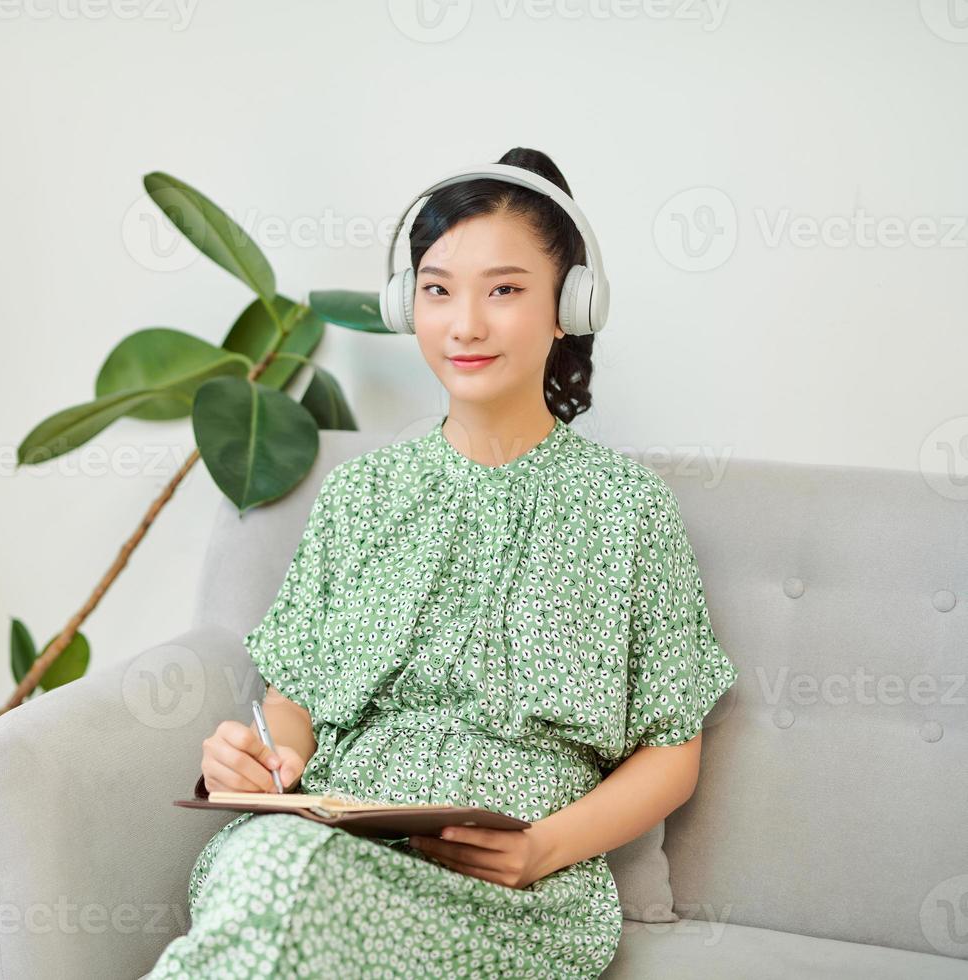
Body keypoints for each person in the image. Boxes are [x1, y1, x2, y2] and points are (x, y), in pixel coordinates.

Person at [147, 147, 739, 979]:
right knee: (270, 870)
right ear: (406, 305)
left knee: (273, 886)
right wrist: (266, 760)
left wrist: (542, 849)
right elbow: (295, 706)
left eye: (504, 289)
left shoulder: (626, 510)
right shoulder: (361, 496)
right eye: (437, 289)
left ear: (570, 306)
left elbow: (672, 750)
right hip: (323, 851)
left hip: (518, 891)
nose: (464, 324)